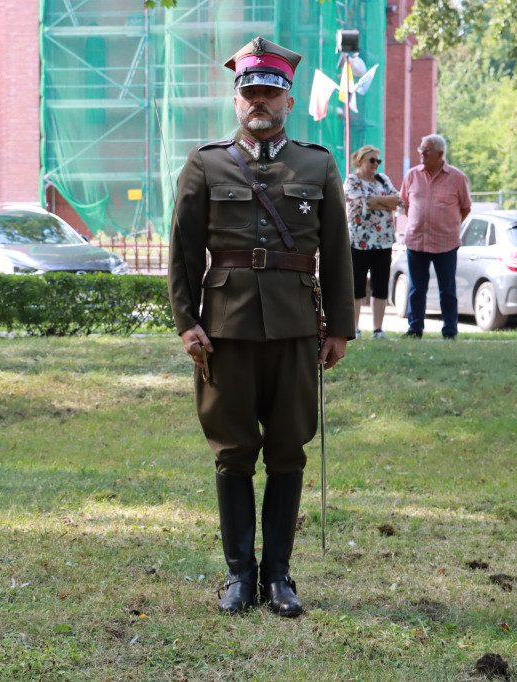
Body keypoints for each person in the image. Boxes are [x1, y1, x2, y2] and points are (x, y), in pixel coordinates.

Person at [166, 36, 354, 618]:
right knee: (232, 454)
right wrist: (186, 323)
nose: (260, 102)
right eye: (251, 92)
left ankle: (279, 576)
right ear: (237, 98)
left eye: (270, 92)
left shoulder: (318, 164)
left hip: (298, 328)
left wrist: (340, 328)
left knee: (289, 452)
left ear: (289, 101)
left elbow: (338, 253)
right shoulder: (206, 163)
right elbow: (182, 251)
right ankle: (239, 576)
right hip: (225, 329)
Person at [397, 134, 471, 339]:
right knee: (416, 288)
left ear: (440, 153)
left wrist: (448, 224)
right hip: (416, 240)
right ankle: (414, 329)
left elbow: (465, 208)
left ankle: (449, 331)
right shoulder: (412, 175)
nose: (421, 153)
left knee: (447, 289)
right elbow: (406, 205)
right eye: (421, 149)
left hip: (445, 242)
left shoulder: (457, 177)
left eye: (426, 150)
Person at [344, 145, 400, 339]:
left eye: (378, 161)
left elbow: (397, 200)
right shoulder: (352, 180)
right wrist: (383, 201)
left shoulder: (383, 180)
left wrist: (375, 201)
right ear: (360, 161)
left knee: (381, 285)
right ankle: (354, 328)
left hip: (384, 241)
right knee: (357, 286)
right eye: (372, 160)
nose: (376, 164)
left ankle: (378, 329)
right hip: (359, 241)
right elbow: (361, 201)